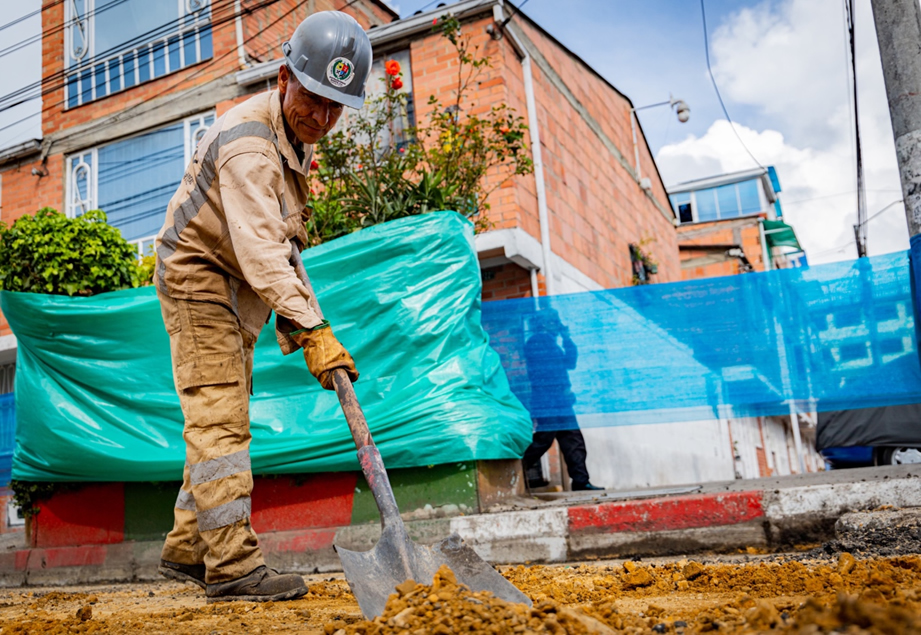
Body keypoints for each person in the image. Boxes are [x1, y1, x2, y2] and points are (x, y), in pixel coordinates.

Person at [153, 11, 369, 603]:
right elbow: (257, 248)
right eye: (314, 98)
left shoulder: (292, 142)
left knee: (220, 420)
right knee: (220, 419)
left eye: (335, 106)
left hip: (231, 292)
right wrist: (313, 327)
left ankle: (191, 547)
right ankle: (232, 567)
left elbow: (281, 244)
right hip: (200, 281)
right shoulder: (249, 144)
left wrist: (302, 321)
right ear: (283, 78)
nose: (323, 117)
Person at [522, 309, 602, 492]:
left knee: (572, 439)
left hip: (559, 401)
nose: (557, 324)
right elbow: (549, 372)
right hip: (548, 400)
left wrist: (566, 338)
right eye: (553, 321)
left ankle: (581, 481)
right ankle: (515, 470)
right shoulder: (538, 341)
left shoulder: (551, 342)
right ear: (544, 323)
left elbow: (570, 363)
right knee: (544, 439)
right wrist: (562, 390)